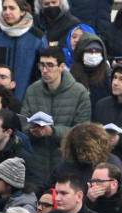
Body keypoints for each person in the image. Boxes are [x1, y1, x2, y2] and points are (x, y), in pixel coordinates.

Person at [22, 46, 91, 185]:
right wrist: (32, 129)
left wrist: (53, 131)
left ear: (61, 67)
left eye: (50, 65)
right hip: (36, 162)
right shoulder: (32, 90)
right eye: (42, 65)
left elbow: (82, 131)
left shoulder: (79, 92)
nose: (45, 70)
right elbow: (24, 120)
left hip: (65, 162)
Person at [0, 0, 45, 102]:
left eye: (12, 8)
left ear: (22, 11)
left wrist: (34, 94)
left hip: (26, 100)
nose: (7, 12)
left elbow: (42, 71)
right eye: (4, 8)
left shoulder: (37, 37)